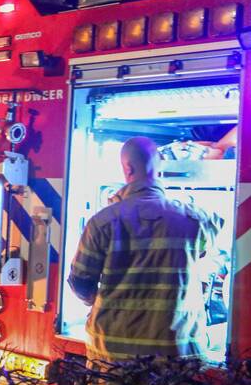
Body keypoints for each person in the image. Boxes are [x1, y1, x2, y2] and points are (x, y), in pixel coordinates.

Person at [68, 136, 221, 367]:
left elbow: (80, 281)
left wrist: (97, 302)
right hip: (175, 353)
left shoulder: (102, 222)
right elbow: (206, 248)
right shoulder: (195, 220)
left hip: (112, 352)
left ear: (127, 168)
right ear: (160, 166)